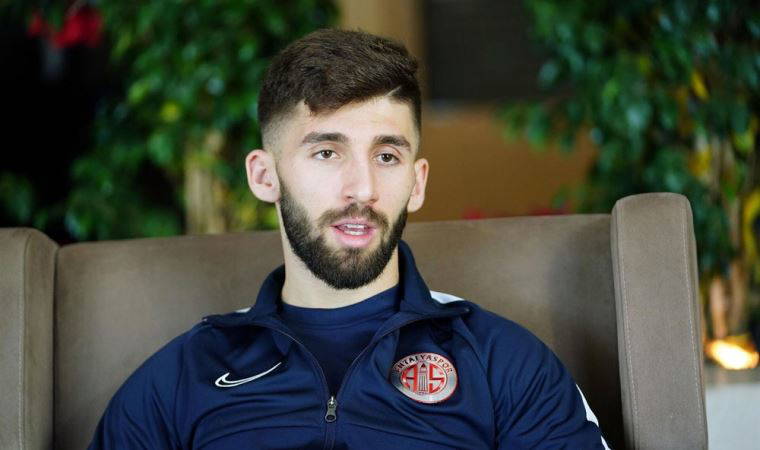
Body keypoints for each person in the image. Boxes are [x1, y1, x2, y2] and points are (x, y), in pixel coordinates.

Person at [89, 28, 609, 449]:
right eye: (327, 153)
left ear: (417, 183)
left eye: (386, 156)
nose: (362, 189)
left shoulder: (504, 364)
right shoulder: (184, 375)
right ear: (264, 176)